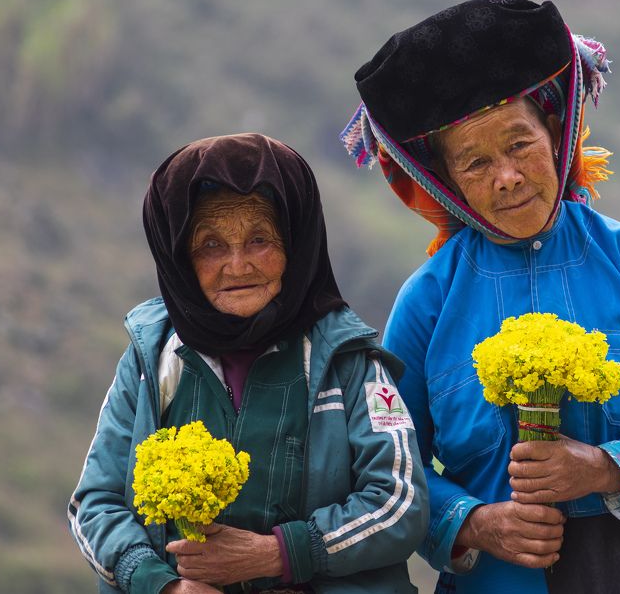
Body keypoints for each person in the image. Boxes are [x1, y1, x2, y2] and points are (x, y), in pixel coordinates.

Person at [340, 0, 620, 593]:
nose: (507, 175)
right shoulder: (426, 301)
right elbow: (392, 468)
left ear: (555, 134)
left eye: (519, 143)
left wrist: (603, 468)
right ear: (446, 181)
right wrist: (475, 524)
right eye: (475, 162)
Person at [67, 133, 428, 594]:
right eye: (211, 245)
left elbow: (400, 503)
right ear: (179, 257)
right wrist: (162, 585)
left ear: (295, 243)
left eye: (259, 239)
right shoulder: (150, 358)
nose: (237, 266)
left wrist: (279, 553)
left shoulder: (347, 359)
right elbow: (94, 504)